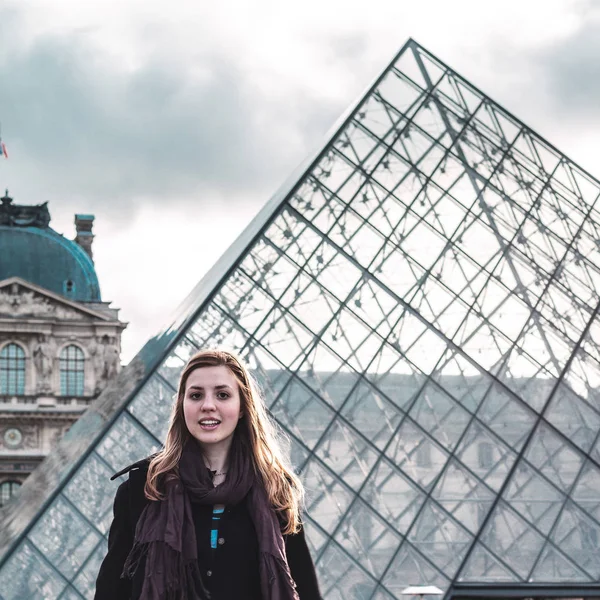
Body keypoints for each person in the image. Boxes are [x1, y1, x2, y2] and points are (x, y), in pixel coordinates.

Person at [95, 349, 321, 600]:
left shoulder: (276, 490)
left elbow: (305, 586)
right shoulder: (143, 489)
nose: (208, 405)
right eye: (196, 395)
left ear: (243, 407)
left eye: (223, 395)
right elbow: (112, 589)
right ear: (182, 405)